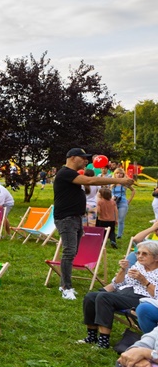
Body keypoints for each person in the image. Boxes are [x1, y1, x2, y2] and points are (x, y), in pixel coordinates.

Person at [53, 148, 134, 300]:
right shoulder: (65, 173)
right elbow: (91, 180)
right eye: (83, 158)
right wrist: (119, 180)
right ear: (72, 158)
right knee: (69, 252)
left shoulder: (73, 174)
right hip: (66, 218)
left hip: (75, 217)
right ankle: (66, 287)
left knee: (72, 252)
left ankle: (64, 283)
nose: (86, 161)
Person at [79, 240, 158, 350]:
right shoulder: (138, 266)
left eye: (144, 254)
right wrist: (123, 270)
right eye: (138, 253)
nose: (139, 256)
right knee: (90, 297)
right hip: (123, 293)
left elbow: (156, 294)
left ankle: (103, 341)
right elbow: (118, 283)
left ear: (156, 258)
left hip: (142, 299)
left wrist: (143, 280)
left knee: (104, 297)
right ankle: (91, 336)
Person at [113, 167, 135, 240]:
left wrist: (129, 200)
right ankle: (112, 233)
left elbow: (133, 191)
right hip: (113, 203)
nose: (119, 175)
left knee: (121, 219)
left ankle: (119, 235)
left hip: (122, 202)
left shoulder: (125, 183)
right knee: (112, 219)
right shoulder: (112, 183)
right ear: (115, 174)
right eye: (117, 173)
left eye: (121, 174)